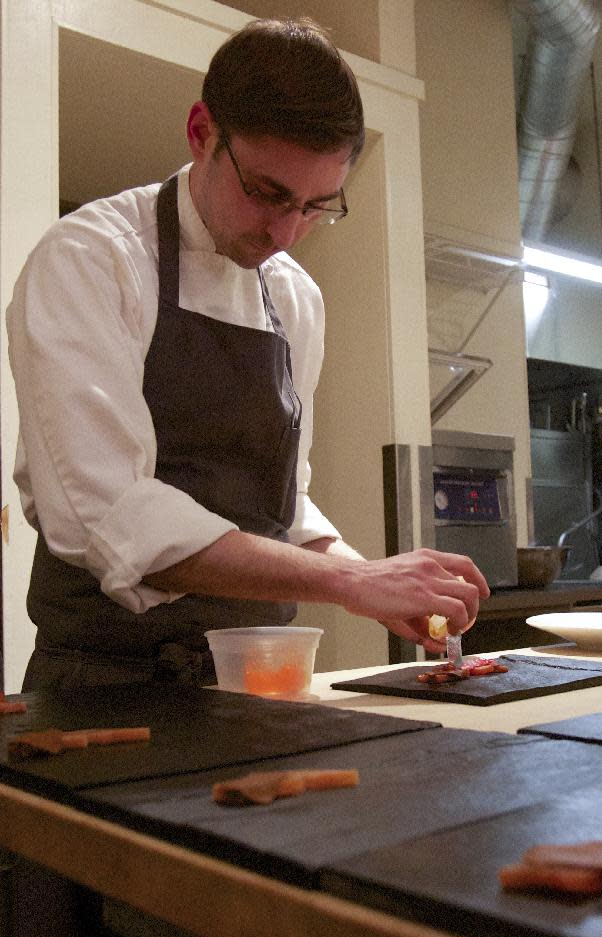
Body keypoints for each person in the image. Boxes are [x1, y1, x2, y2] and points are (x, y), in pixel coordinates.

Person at [6, 16, 488, 692]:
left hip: (259, 675)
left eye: (318, 205)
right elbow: (108, 515)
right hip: (104, 683)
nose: (287, 232)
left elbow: (282, 506)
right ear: (202, 132)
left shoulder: (294, 298)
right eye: (267, 193)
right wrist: (353, 582)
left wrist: (383, 582)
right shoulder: (93, 258)